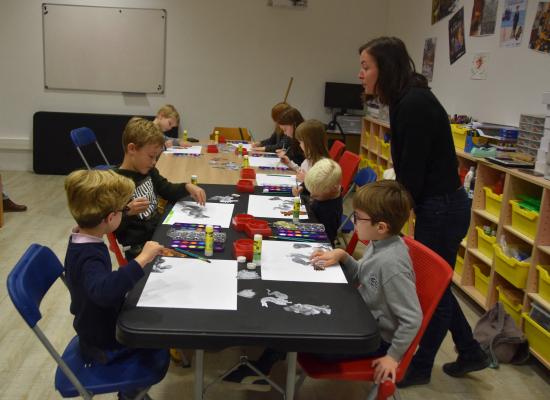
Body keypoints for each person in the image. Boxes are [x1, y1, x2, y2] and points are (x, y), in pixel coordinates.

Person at [357, 36, 489, 387]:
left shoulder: (413, 104)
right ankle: (471, 350)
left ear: (384, 68)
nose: (361, 74)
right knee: (437, 285)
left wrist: (387, 223)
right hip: (437, 204)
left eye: (366, 67)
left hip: (442, 208)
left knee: (433, 292)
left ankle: (419, 366)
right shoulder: (406, 99)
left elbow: (410, 178)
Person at [224, 180, 421, 395]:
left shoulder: (392, 265)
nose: (354, 222)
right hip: (359, 315)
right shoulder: (379, 243)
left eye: (358, 218)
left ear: (381, 227)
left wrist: (393, 356)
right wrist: (344, 256)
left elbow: (413, 318)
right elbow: (362, 275)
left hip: (374, 340)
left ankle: (266, 364)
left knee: (297, 322)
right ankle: (266, 363)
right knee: (295, 308)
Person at [63, 169, 165, 398]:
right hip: (104, 342)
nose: (124, 212)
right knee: (161, 333)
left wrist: (124, 211)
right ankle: (131, 395)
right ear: (109, 218)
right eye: (122, 210)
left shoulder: (81, 237)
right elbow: (103, 292)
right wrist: (142, 259)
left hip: (95, 325)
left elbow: (99, 286)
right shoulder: (89, 255)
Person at [113, 117, 206, 259]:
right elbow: (110, 226)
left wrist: (187, 187)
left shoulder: (148, 170)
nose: (154, 162)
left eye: (156, 157)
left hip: (160, 234)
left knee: (203, 242)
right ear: (132, 149)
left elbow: (166, 188)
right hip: (140, 251)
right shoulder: (115, 182)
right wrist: (127, 212)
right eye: (151, 156)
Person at [303, 158, 343, 245]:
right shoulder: (329, 191)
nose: (311, 196)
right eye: (311, 192)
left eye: (316, 195)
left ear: (333, 189)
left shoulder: (329, 213)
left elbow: (327, 241)